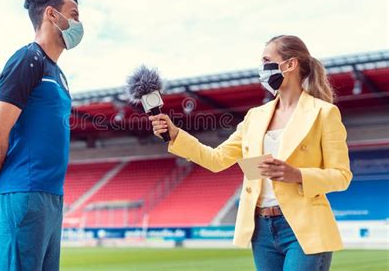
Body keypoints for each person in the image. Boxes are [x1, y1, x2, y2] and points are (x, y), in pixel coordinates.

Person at [149, 35, 352, 271]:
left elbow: (341, 175)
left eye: (266, 59)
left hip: (304, 227)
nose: (261, 68)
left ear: (290, 64)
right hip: (262, 230)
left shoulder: (324, 113)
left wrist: (296, 174)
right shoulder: (254, 117)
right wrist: (175, 135)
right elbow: (216, 159)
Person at [0, 0, 83, 271]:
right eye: (74, 15)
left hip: (51, 196)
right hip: (24, 193)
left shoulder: (58, 74)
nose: (79, 24)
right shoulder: (28, 59)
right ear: (51, 14)